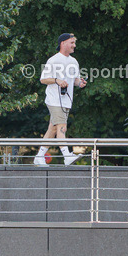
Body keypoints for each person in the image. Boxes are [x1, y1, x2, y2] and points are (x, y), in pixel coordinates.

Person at [35, 33, 86, 166]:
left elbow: (75, 80)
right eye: (72, 43)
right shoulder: (53, 60)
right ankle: (66, 156)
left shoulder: (74, 61)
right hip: (54, 100)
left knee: (53, 129)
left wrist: (80, 83)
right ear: (63, 43)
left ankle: (39, 157)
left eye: (74, 43)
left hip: (66, 101)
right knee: (62, 127)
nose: (74, 45)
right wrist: (57, 80)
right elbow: (43, 79)